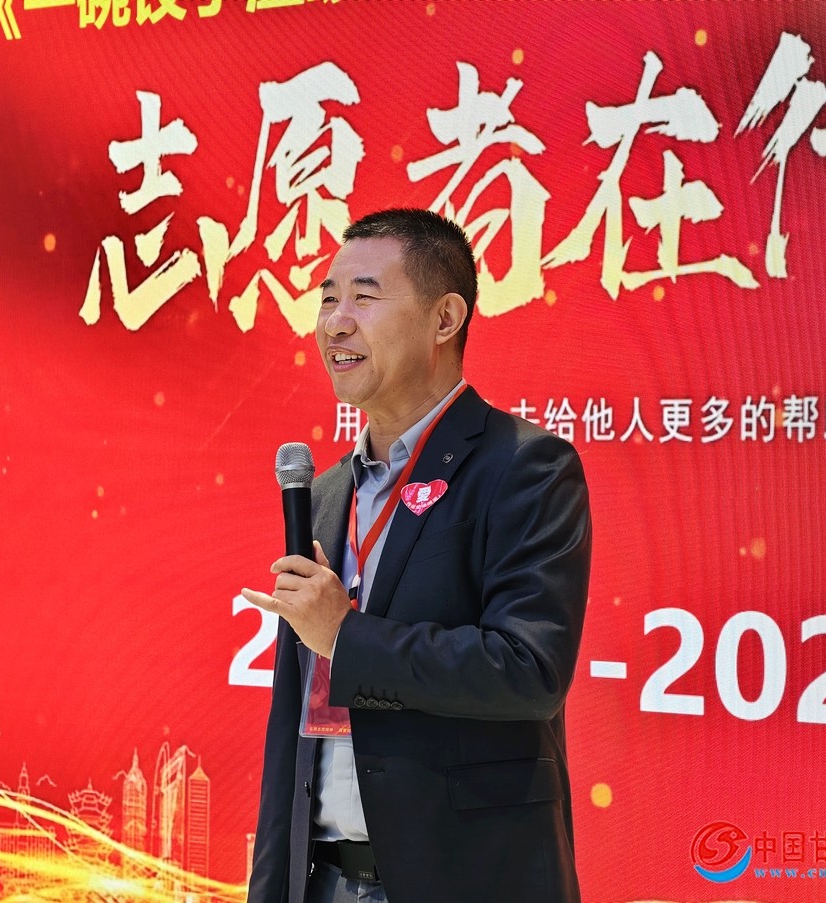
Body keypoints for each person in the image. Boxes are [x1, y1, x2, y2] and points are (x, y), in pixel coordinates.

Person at [242, 208, 591, 903]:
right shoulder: (325, 493)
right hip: (320, 881)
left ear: (445, 318)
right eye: (328, 299)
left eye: (364, 297)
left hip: (465, 881)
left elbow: (529, 670)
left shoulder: (524, 467)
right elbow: (294, 733)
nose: (335, 323)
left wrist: (347, 636)